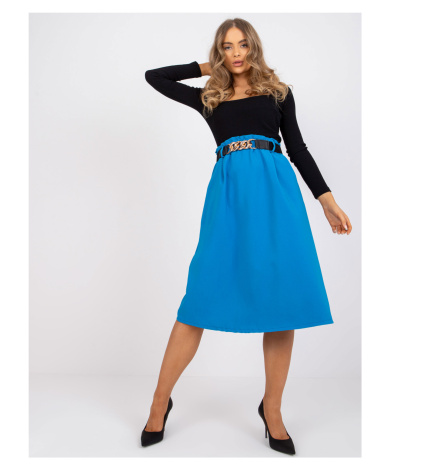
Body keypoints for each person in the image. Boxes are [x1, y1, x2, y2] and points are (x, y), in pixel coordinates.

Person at [141, 18, 352, 455]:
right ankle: (160, 401)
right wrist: (208, 66)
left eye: (242, 45)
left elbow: (298, 149)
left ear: (253, 47)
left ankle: (272, 410)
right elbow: (154, 77)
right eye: (226, 46)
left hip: (277, 196)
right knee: (198, 298)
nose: (235, 53)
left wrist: (326, 200)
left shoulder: (279, 93)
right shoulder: (209, 97)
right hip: (229, 198)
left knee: (281, 301)